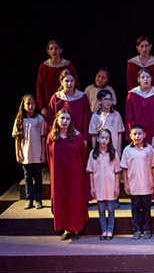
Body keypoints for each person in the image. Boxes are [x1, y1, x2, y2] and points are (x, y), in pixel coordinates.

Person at [125, 68, 154, 203]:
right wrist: (134, 135)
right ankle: (138, 194)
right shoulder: (132, 95)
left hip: (153, 134)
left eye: (147, 77)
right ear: (138, 79)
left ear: (151, 78)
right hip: (138, 135)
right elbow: (129, 116)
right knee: (139, 165)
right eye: (142, 77)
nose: (145, 80)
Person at [46, 110, 88, 240]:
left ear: (71, 121)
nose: (65, 121)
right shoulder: (51, 137)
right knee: (61, 200)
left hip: (74, 175)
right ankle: (66, 229)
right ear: (57, 120)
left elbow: (83, 157)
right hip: (58, 176)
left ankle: (75, 229)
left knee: (74, 201)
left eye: (67, 119)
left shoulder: (77, 137)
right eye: (62, 118)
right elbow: (49, 157)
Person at [121, 125, 154, 240]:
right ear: (131, 136)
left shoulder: (150, 149)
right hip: (133, 186)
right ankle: (136, 230)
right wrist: (126, 184)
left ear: (144, 135)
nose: (137, 136)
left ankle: (147, 229)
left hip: (146, 185)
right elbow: (124, 169)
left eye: (139, 134)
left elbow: (153, 167)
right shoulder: (127, 150)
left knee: (146, 209)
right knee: (135, 209)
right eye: (134, 134)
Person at [86, 129, 121, 241]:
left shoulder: (113, 153)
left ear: (109, 140)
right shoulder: (93, 153)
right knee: (101, 210)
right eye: (102, 138)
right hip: (99, 186)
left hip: (110, 186)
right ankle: (104, 230)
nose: (104, 140)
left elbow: (116, 171)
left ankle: (110, 230)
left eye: (106, 138)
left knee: (110, 209)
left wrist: (117, 186)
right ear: (97, 139)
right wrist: (92, 187)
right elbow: (91, 171)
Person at [13, 95, 46, 209]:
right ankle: (29, 199)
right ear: (23, 105)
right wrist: (18, 153)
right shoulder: (20, 119)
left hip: (37, 153)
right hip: (26, 154)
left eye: (32, 103)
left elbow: (43, 137)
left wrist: (43, 153)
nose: (30, 106)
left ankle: (38, 199)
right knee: (27, 177)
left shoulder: (40, 119)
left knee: (38, 176)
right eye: (28, 103)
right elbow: (17, 138)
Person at [36, 39, 79, 116]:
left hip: (67, 101)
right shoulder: (44, 66)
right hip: (49, 103)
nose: (54, 51)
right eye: (51, 49)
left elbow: (75, 84)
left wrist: (76, 100)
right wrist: (42, 107)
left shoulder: (68, 65)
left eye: (56, 48)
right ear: (48, 51)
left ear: (60, 50)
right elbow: (40, 87)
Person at [46, 69, 91, 143]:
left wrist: (85, 138)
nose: (69, 83)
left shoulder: (82, 97)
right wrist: (52, 136)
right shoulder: (56, 98)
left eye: (72, 81)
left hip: (78, 138)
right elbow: (50, 120)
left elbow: (86, 119)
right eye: (67, 81)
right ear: (61, 82)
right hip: (59, 138)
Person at [88, 89, 125, 154]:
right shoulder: (95, 116)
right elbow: (93, 135)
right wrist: (95, 150)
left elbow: (120, 134)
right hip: (100, 151)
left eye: (110, 99)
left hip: (113, 149)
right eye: (106, 99)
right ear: (99, 101)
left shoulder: (116, 115)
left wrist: (119, 150)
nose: (108, 102)